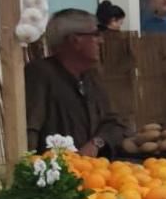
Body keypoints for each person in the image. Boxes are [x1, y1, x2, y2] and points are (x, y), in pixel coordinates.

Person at [24, 8, 130, 154]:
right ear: (75, 40)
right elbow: (28, 131)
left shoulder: (91, 76)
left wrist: (96, 143)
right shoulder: (40, 75)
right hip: (56, 172)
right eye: (95, 35)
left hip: (94, 172)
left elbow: (115, 124)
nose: (101, 40)